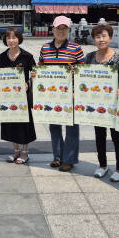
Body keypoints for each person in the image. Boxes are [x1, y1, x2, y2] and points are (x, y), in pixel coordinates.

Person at [38, 15, 85, 172]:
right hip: (52, 95)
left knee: (71, 128)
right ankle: (57, 157)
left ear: (69, 30)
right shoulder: (45, 48)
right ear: (53, 29)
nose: (61, 31)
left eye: (64, 28)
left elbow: (83, 72)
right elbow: (41, 67)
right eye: (58, 28)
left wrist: (75, 75)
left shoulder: (76, 48)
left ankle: (69, 159)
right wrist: (35, 75)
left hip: (70, 94)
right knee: (54, 127)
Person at [84, 24, 119, 181]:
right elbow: (85, 79)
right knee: (99, 135)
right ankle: (102, 165)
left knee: (117, 135)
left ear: (110, 38)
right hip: (97, 104)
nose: (101, 39)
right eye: (97, 36)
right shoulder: (89, 57)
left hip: (114, 104)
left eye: (104, 36)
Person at [0, 27, 36, 164]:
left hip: (23, 96)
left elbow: (36, 74)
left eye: (14, 37)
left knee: (24, 124)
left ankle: (25, 152)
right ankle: (15, 151)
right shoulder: (2, 57)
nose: (11, 40)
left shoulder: (27, 56)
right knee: (11, 123)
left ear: (19, 39)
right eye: (8, 38)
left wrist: (29, 81)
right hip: (8, 96)